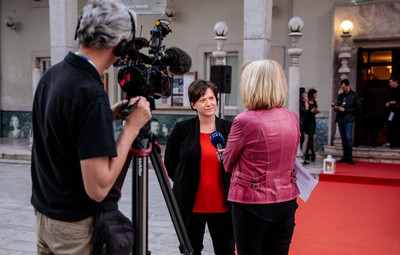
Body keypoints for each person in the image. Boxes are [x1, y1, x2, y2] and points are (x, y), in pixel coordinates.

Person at [30, 1, 151, 254]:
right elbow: (98, 189)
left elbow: (61, 130)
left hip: (45, 217)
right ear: (120, 44)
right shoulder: (89, 92)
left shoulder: (53, 74)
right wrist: (131, 128)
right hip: (74, 229)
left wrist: (105, 117)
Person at [223, 60, 300, 255]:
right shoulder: (292, 117)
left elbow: (228, 163)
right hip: (286, 199)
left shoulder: (244, 120)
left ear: (252, 85)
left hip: (251, 203)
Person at [165, 79, 235, 255]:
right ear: (193, 104)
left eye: (211, 98)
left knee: (226, 249)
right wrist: (184, 181)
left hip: (224, 205)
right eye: (202, 100)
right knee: (191, 250)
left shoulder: (229, 129)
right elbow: (170, 162)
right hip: (191, 204)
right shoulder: (182, 129)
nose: (208, 103)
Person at [333, 79, 361, 164]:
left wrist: (345, 110)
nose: (342, 89)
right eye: (341, 87)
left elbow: (358, 107)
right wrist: (336, 108)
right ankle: (345, 156)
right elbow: (339, 105)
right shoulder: (340, 95)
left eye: (344, 87)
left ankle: (349, 157)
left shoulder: (354, 95)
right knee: (343, 138)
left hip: (349, 119)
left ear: (348, 86)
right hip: (340, 118)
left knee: (348, 137)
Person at [365, 78, 386, 147]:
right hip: (380, 113)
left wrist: (366, 113)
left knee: (371, 128)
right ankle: (374, 141)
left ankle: (371, 141)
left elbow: (368, 103)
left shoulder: (369, 91)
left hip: (371, 113)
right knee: (376, 128)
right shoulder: (383, 91)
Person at [383, 75, 400, 148]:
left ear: (396, 82)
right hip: (392, 112)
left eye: (391, 82)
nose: (390, 84)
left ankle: (393, 143)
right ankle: (390, 142)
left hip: (397, 112)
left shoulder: (399, 89)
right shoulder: (393, 90)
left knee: (395, 126)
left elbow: (398, 100)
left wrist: (389, 103)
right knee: (390, 126)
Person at [304, 89, 320, 162]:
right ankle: (312, 153)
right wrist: (311, 111)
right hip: (308, 120)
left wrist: (316, 111)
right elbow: (306, 111)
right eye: (315, 94)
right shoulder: (307, 101)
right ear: (312, 94)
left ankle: (307, 153)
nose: (316, 95)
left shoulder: (315, 102)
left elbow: (314, 110)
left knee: (311, 137)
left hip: (313, 120)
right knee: (311, 137)